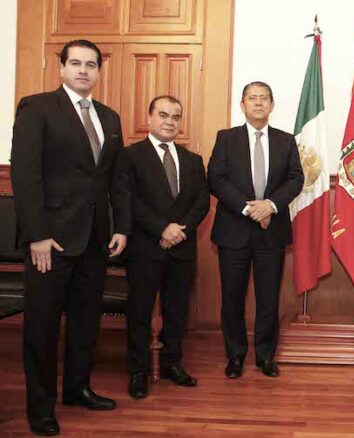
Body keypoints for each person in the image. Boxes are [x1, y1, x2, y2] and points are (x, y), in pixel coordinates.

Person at [11, 39, 129, 436]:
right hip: (51, 242)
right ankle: (40, 409)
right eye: (75, 63)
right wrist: (37, 235)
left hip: (95, 240)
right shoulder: (37, 108)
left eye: (90, 64)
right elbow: (25, 175)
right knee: (42, 326)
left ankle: (78, 389)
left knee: (85, 321)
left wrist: (120, 226)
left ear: (99, 71)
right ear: (61, 68)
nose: (83, 70)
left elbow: (115, 179)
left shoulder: (109, 118)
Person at [208, 81, 303, 379]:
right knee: (232, 297)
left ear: (272, 105)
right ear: (242, 104)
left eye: (264, 98)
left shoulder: (286, 140)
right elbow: (216, 179)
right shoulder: (226, 138)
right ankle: (235, 356)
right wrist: (250, 209)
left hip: (271, 231)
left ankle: (265, 356)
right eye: (252, 98)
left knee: (268, 298)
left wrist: (270, 206)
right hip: (233, 230)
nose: (258, 102)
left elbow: (295, 179)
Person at [117, 95, 210, 399]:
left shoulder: (193, 160)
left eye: (175, 117)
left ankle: (172, 363)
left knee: (177, 310)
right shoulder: (130, 156)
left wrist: (179, 230)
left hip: (181, 247)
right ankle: (138, 370)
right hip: (145, 247)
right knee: (140, 310)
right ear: (149, 118)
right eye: (163, 115)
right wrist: (162, 228)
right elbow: (129, 200)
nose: (170, 122)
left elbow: (201, 202)